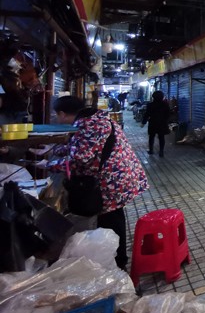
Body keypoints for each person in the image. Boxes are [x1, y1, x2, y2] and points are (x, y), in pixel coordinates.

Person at [49, 95, 148, 269]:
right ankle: (113, 260)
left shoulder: (89, 125)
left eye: (56, 114)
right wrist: (55, 149)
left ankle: (118, 264)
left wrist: (50, 164)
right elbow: (81, 146)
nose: (56, 118)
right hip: (117, 177)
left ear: (63, 114)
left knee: (111, 221)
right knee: (112, 218)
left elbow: (80, 158)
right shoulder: (95, 120)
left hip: (112, 181)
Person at [141, 90, 171, 157]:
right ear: (162, 97)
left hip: (153, 123)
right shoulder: (165, 104)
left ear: (153, 97)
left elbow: (147, 114)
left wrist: (143, 122)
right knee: (161, 137)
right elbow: (168, 114)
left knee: (151, 137)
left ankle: (151, 150)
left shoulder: (150, 105)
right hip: (162, 123)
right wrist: (166, 121)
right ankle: (161, 152)